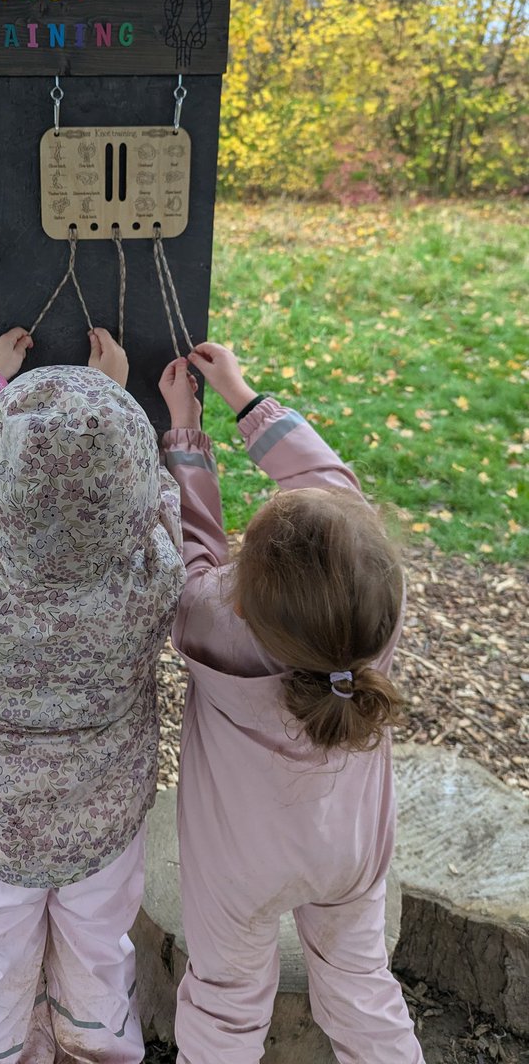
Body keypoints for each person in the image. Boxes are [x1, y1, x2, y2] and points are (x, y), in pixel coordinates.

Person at [0, 325, 186, 1064]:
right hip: (103, 817)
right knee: (98, 950)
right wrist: (113, 397)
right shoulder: (155, 581)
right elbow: (158, 496)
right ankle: (96, 1048)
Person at [157, 342, 425, 1064]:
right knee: (363, 981)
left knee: (224, 1002)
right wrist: (247, 398)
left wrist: (187, 431)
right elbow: (331, 485)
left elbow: (192, 551)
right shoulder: (376, 608)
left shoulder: (212, 619)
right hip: (350, 849)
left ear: (243, 599)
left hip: (240, 862)